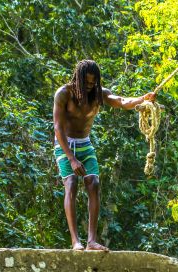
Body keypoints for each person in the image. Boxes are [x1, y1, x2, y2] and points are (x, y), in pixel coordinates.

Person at [53, 59, 156, 251]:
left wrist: (143, 99)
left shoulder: (99, 94)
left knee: (94, 183)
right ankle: (76, 241)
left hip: (85, 144)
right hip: (65, 145)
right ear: (78, 79)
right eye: (87, 83)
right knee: (71, 184)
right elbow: (58, 128)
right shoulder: (64, 94)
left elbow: (122, 101)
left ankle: (91, 240)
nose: (90, 86)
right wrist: (71, 158)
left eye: (93, 83)